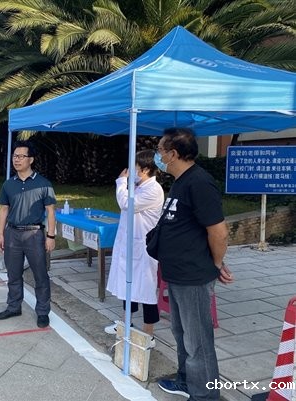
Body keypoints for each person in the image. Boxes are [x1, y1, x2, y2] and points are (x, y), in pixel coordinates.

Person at [153, 128, 234, 401]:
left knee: (198, 340)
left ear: (173, 154)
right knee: (182, 333)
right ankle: (187, 381)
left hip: (193, 275)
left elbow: (219, 232)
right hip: (177, 272)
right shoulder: (180, 181)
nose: (158, 156)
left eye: (160, 150)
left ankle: (206, 395)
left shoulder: (199, 183)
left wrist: (216, 264)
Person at [0, 140, 56, 328]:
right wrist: (0, 234)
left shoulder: (43, 184)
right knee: (13, 274)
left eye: (21, 156)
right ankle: (14, 306)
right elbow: (3, 210)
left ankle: (43, 312)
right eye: (15, 156)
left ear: (31, 160)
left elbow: (50, 211)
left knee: (40, 275)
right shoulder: (8, 184)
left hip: (34, 235)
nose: (17, 160)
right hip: (12, 234)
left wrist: (51, 236)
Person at [104, 150, 164, 344]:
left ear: (145, 169)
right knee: (127, 286)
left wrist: (121, 182)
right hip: (130, 245)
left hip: (144, 248)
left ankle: (148, 336)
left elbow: (126, 204)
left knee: (146, 291)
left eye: (134, 167)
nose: (130, 171)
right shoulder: (139, 186)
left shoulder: (153, 190)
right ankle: (125, 324)